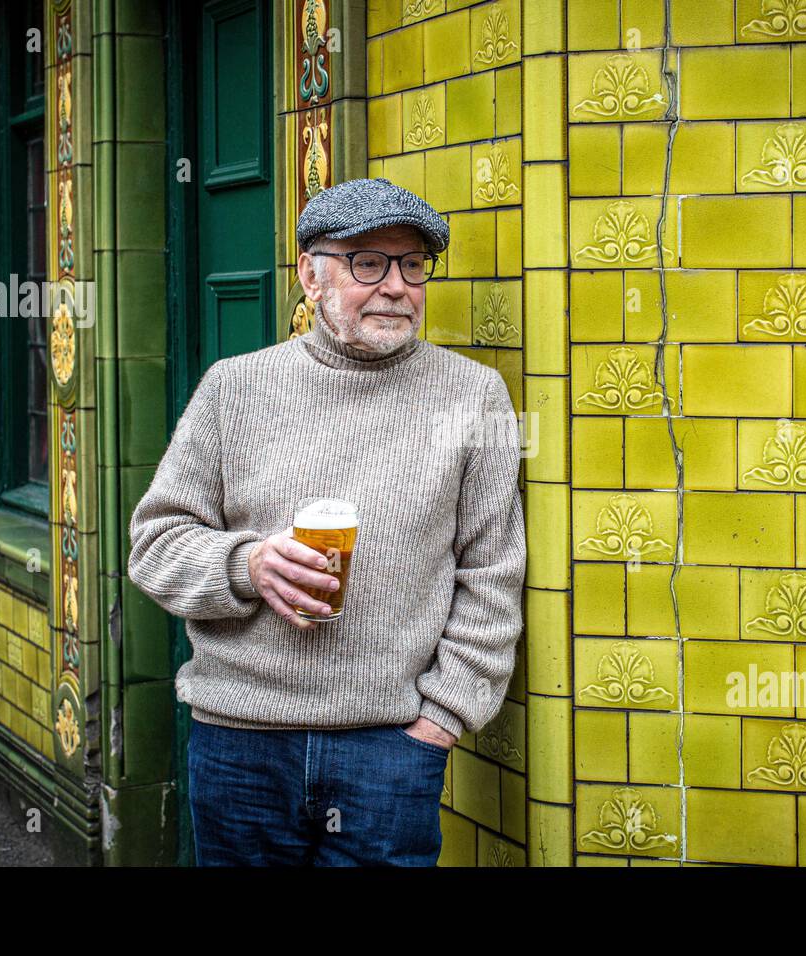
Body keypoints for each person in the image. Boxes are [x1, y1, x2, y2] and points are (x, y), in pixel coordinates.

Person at [126, 178, 527, 866]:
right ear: (311, 275)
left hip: (390, 750)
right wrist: (245, 566)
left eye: (412, 264)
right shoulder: (235, 387)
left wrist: (439, 723)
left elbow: (492, 576)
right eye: (367, 263)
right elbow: (156, 545)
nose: (396, 286)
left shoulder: (473, 395)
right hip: (240, 742)